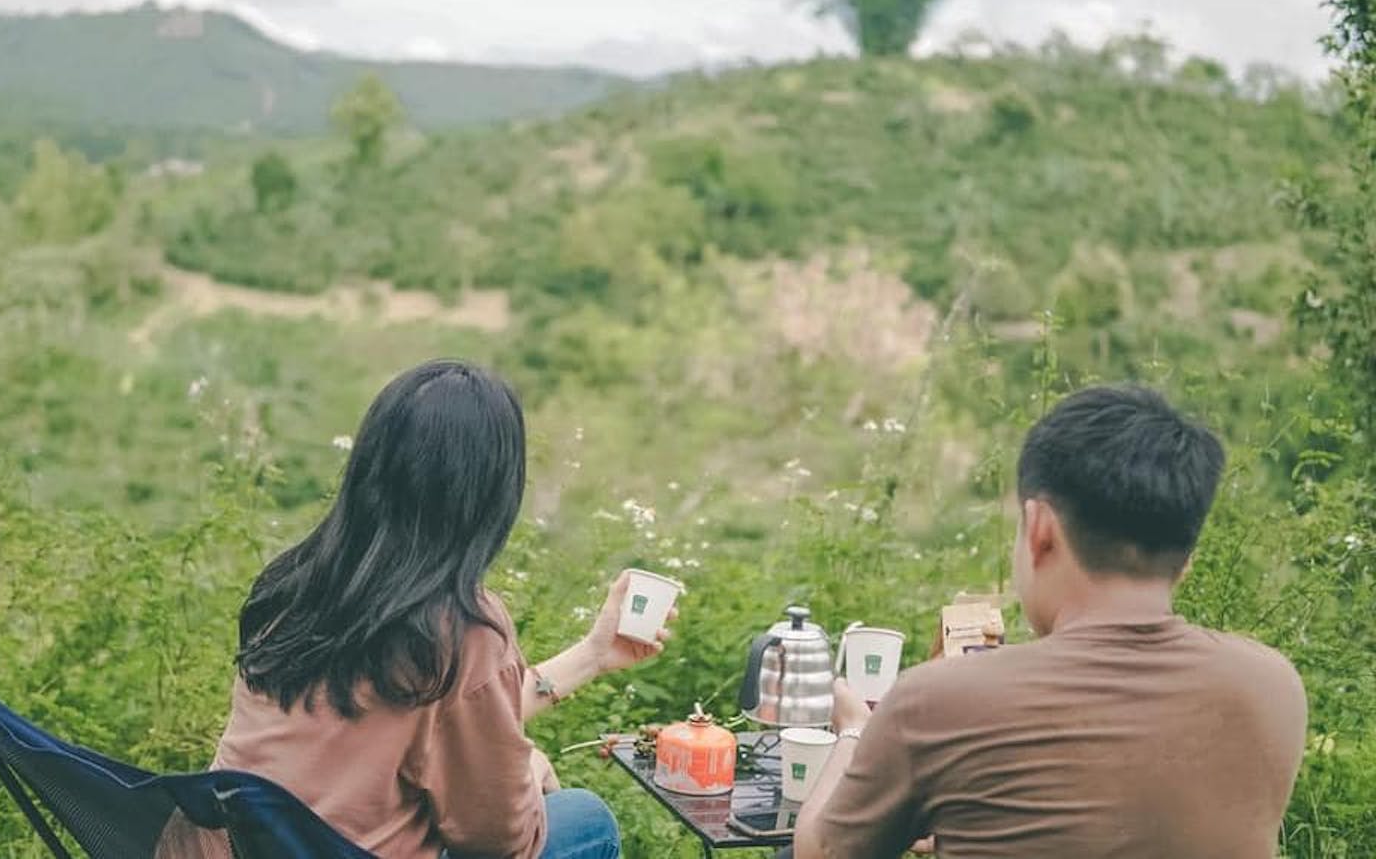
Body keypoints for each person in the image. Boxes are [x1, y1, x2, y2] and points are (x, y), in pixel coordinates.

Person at [170, 360, 674, 858]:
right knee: (586, 820)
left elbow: (440, 721)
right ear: (490, 493)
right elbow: (499, 841)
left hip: (234, 849)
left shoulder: (296, 585)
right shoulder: (460, 631)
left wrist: (593, 654)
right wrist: (526, 770)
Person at [794, 384, 1307, 859]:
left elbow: (821, 853)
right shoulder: (1273, 686)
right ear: (1187, 558)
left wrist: (856, 731)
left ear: (1039, 529)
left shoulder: (935, 702)